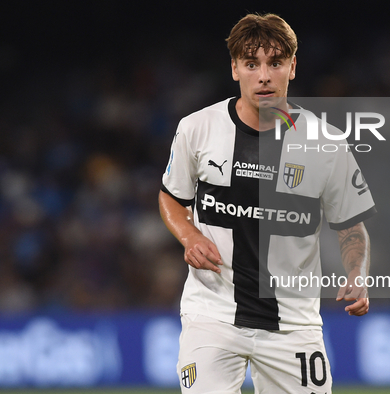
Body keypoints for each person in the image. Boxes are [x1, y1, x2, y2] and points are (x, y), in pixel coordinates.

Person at [159, 13, 376, 393]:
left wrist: (357, 274)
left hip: (293, 323)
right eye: (251, 63)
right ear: (234, 68)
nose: (263, 75)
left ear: (292, 67)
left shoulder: (326, 143)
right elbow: (171, 198)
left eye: (275, 63)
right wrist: (189, 235)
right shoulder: (197, 128)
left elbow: (351, 226)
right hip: (213, 313)